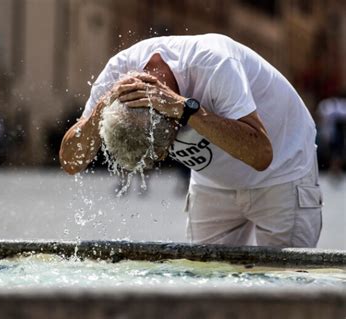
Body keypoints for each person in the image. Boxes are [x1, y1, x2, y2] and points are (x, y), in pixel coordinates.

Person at [59, 34, 322, 248]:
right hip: (213, 180)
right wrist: (99, 111)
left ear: (174, 124)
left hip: (283, 169)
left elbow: (262, 155)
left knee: (287, 284)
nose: (163, 159)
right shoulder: (117, 74)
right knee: (205, 283)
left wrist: (186, 109)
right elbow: (71, 162)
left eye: (161, 153)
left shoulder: (215, 63)